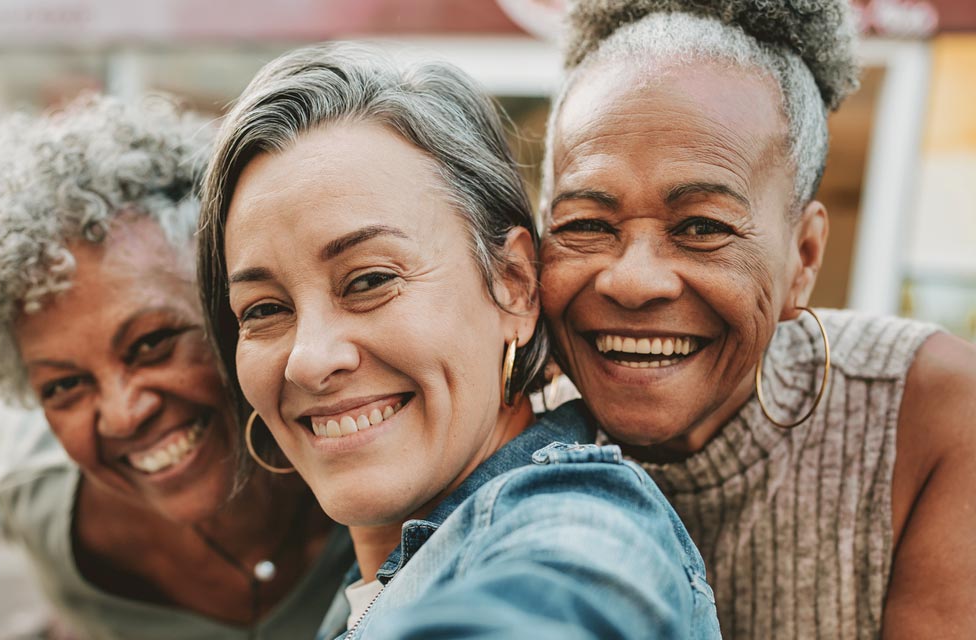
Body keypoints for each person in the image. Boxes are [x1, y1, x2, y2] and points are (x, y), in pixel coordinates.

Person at [196, 42, 721, 639]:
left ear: (514, 285)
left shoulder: (581, 522)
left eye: (369, 281)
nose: (310, 360)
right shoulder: (372, 566)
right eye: (264, 309)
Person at [539, 1, 976, 638]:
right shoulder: (502, 445)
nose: (632, 281)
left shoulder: (931, 415)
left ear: (803, 257)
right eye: (585, 225)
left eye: (701, 228)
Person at [0, 95, 352, 640]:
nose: (123, 416)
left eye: (152, 344)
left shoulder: (360, 442)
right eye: (65, 385)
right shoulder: (36, 497)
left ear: (235, 303)